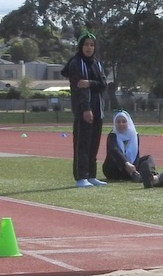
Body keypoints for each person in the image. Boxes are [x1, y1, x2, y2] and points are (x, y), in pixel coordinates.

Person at [61, 31, 108, 188]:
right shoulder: (76, 63)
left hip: (98, 110)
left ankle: (92, 175)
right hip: (83, 110)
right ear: (81, 46)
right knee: (83, 144)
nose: (89, 48)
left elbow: (103, 84)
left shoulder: (97, 63)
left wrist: (90, 83)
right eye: (86, 44)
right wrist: (86, 109)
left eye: (92, 45)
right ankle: (81, 177)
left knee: (94, 144)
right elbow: (81, 89)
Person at [102, 110, 155, 182]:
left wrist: (133, 167)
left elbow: (136, 155)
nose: (121, 124)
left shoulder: (134, 135)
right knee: (114, 153)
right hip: (115, 169)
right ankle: (136, 175)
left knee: (148, 158)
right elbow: (114, 150)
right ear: (115, 123)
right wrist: (126, 164)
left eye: (124, 121)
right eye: (118, 122)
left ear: (128, 123)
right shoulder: (112, 135)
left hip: (132, 168)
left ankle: (150, 175)